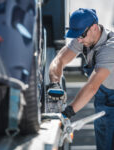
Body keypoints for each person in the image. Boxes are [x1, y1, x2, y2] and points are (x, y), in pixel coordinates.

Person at [47, 8, 114, 150]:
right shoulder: (84, 38)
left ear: (94, 28)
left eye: (81, 35)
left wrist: (68, 113)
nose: (78, 39)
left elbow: (92, 87)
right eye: (76, 36)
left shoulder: (110, 48)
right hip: (103, 101)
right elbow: (58, 61)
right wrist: (55, 84)